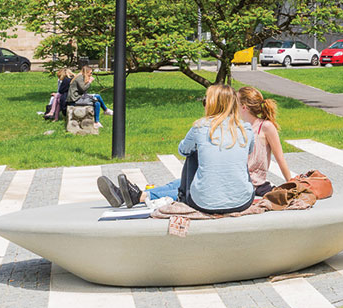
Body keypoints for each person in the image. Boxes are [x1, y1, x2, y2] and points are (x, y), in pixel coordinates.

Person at [100, 82, 253, 213]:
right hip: (242, 201)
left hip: (204, 203)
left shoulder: (201, 127)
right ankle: (138, 194)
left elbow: (183, 150)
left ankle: (139, 195)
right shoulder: (246, 129)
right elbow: (249, 152)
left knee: (192, 155)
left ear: (212, 104)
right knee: (178, 182)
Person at [237, 86, 295, 196]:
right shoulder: (238, 127)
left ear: (244, 107)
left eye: (235, 102)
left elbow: (280, 159)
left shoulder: (265, 127)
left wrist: (292, 185)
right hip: (238, 184)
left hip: (258, 185)